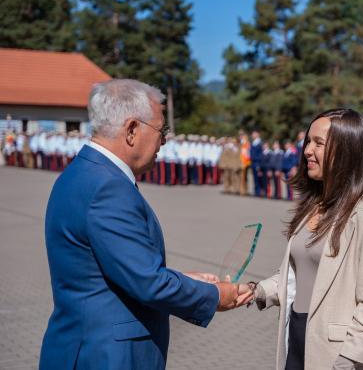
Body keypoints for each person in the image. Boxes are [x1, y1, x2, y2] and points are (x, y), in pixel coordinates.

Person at [39, 79, 250, 370]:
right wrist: (214, 295)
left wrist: (186, 281)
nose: (164, 141)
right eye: (161, 131)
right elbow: (148, 283)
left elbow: (118, 268)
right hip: (106, 355)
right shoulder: (107, 187)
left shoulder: (84, 173)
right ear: (132, 130)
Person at [250, 109, 363, 370]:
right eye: (308, 141)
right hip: (295, 337)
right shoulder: (311, 207)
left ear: (347, 152)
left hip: (337, 356)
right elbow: (294, 276)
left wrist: (347, 361)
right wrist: (254, 291)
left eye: (319, 143)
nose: (307, 150)